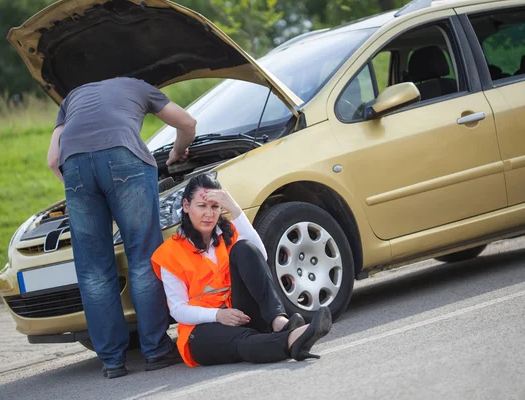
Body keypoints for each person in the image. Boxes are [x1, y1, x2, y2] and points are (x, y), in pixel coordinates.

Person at [46, 76, 197, 379]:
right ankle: (155, 350)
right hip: (125, 159)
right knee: (142, 257)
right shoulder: (138, 86)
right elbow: (188, 123)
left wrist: (82, 191)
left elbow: (53, 159)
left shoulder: (72, 95)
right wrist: (178, 151)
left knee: (93, 270)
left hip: (75, 168)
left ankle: (112, 361)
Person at [151, 173, 332, 367]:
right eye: (202, 206)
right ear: (186, 206)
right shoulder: (169, 252)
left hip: (241, 314)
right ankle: (292, 340)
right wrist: (217, 316)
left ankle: (279, 321)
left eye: (215, 207)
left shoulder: (227, 232)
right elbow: (178, 310)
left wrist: (235, 210)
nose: (209, 214)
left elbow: (260, 256)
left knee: (245, 247)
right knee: (243, 341)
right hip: (202, 329)